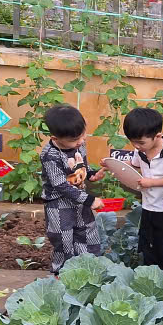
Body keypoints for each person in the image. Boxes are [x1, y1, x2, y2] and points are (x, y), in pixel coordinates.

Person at [123, 107, 163, 273]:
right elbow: (134, 164)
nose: (136, 146)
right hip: (148, 208)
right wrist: (112, 164)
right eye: (133, 142)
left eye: (141, 142)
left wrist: (152, 182)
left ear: (158, 136)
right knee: (149, 249)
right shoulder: (140, 150)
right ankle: (151, 281)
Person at [40, 104, 104, 273]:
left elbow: (81, 166)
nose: (80, 141)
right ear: (55, 138)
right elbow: (61, 185)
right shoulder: (50, 155)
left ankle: (88, 271)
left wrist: (91, 175)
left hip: (79, 201)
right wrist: (90, 200)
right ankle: (61, 275)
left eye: (82, 135)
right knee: (63, 241)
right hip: (59, 204)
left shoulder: (79, 145)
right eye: (75, 140)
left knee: (88, 235)